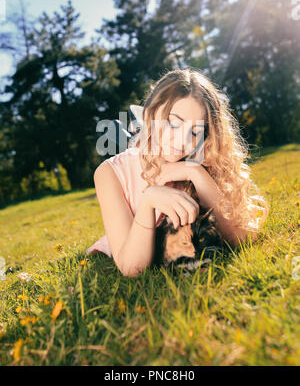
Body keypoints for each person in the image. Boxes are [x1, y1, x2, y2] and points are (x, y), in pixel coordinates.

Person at [86, 69, 269, 277]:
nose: (182, 142)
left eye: (194, 132)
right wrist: (149, 200)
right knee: (135, 151)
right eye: (173, 123)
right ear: (150, 113)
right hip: (133, 226)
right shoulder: (109, 173)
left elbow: (242, 238)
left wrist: (196, 173)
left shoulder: (200, 158)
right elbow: (131, 268)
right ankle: (133, 136)